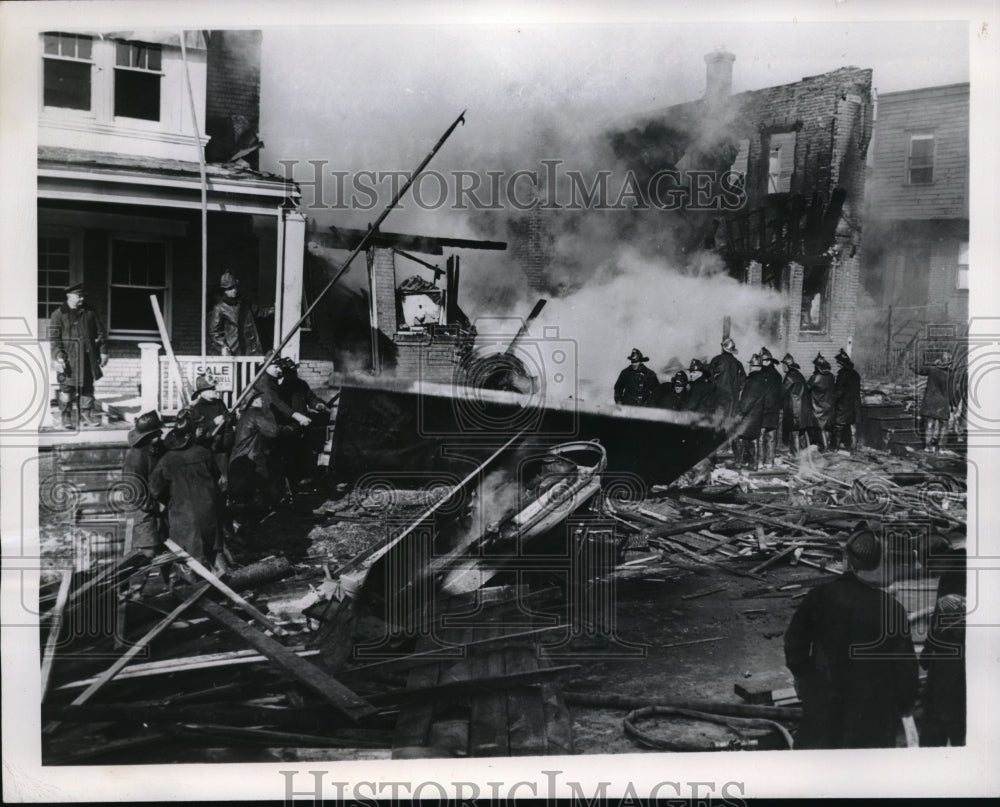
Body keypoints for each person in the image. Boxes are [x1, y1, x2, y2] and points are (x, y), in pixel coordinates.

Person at [784, 527, 920, 749]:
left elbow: (795, 642)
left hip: (823, 705)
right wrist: (905, 704)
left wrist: (803, 677)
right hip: (872, 715)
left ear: (849, 561)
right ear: (880, 564)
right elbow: (904, 669)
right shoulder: (891, 609)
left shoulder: (820, 595)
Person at [150, 408, 226, 573]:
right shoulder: (205, 453)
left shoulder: (167, 460)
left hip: (183, 517)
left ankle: (193, 587)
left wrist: (167, 501)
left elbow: (155, 489)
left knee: (188, 558)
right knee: (213, 549)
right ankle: (223, 577)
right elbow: (218, 477)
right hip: (209, 512)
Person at [919, 535, 967, 746]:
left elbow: (942, 621)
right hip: (957, 655)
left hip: (953, 658)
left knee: (940, 720)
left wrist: (929, 652)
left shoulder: (954, 575)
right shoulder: (958, 567)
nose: (930, 572)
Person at [48, 282, 109, 428]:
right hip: (68, 359)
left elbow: (100, 332)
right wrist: (58, 356)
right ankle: (66, 417)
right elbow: (54, 339)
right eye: (79, 296)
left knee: (87, 387)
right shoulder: (58, 314)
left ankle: (86, 415)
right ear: (69, 296)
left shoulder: (90, 311)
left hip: (87, 358)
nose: (82, 299)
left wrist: (103, 351)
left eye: (83, 296)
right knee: (66, 389)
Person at [228, 388, 282, 525]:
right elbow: (273, 431)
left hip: (241, 458)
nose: (261, 400)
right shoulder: (255, 413)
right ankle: (251, 522)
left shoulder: (246, 414)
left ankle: (243, 521)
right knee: (257, 492)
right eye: (257, 399)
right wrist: (269, 412)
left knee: (245, 494)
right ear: (250, 402)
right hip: (252, 459)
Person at [277, 357, 330, 488]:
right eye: (290, 372)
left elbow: (311, 398)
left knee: (303, 453)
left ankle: (302, 481)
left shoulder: (302, 385)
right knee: (289, 455)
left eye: (295, 371)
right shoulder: (280, 389)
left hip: (303, 425)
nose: (293, 374)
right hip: (289, 425)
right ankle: (291, 484)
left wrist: (318, 405)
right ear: (284, 373)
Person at [121, 410, 165, 559]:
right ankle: (135, 582)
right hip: (140, 510)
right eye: (156, 435)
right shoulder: (135, 458)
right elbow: (134, 492)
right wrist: (155, 505)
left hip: (150, 506)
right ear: (148, 437)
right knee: (147, 552)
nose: (160, 436)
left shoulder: (151, 450)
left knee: (160, 547)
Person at [208, 271, 275, 356]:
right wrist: (223, 346)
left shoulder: (245, 303)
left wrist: (276, 309)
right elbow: (214, 332)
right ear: (224, 290)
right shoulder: (219, 308)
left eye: (235, 287)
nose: (234, 290)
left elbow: (261, 311)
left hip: (251, 348)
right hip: (233, 350)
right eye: (230, 288)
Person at [190, 374, 235, 488]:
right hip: (207, 448)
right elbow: (196, 429)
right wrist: (213, 422)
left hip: (222, 447)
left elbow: (228, 419)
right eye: (211, 389)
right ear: (202, 393)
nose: (215, 390)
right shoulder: (197, 408)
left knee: (224, 480)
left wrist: (231, 417)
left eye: (214, 388)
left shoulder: (219, 403)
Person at [734, 353, 767, 470]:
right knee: (753, 439)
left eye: (751, 366)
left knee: (740, 437)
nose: (749, 368)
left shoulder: (753, 380)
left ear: (753, 366)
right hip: (757, 415)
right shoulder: (762, 379)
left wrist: (740, 413)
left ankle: (739, 463)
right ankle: (754, 464)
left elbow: (747, 400)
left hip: (749, 415)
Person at [917, 351, 954, 453]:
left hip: (930, 401)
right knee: (944, 425)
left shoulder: (932, 369)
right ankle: (941, 448)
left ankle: (927, 447)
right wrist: (952, 405)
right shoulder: (950, 374)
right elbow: (951, 390)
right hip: (943, 402)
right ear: (949, 362)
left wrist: (911, 362)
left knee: (930, 423)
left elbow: (919, 370)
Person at [780, 353, 815, 452]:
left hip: (794, 411)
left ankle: (795, 455)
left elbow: (782, 393)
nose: (782, 367)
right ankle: (805, 455)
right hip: (803, 411)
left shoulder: (789, 377)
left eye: (784, 364)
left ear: (787, 365)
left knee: (794, 433)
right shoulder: (799, 375)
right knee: (802, 433)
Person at [833, 348, 862, 451]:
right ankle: (851, 446)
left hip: (844, 405)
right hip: (854, 404)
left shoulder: (842, 374)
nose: (837, 365)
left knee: (839, 425)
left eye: (838, 363)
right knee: (850, 425)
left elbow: (839, 391)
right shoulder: (855, 374)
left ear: (842, 364)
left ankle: (835, 447)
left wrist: (833, 400)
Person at [709, 337, 746, 418]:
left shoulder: (716, 360)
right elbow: (743, 381)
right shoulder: (738, 363)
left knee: (717, 423)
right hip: (733, 399)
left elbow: (710, 378)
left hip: (718, 398)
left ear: (723, 347)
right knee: (728, 423)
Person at [758, 347, 782, 468]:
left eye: (766, 360)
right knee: (771, 438)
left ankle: (760, 461)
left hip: (764, 410)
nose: (764, 363)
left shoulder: (761, 375)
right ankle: (769, 462)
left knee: (761, 437)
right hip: (773, 411)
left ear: (770, 361)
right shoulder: (778, 375)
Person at [807, 353, 836, 451]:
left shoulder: (815, 377)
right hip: (829, 405)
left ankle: (824, 448)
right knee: (827, 427)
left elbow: (807, 388)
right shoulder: (831, 376)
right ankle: (828, 447)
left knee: (821, 428)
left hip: (818, 407)